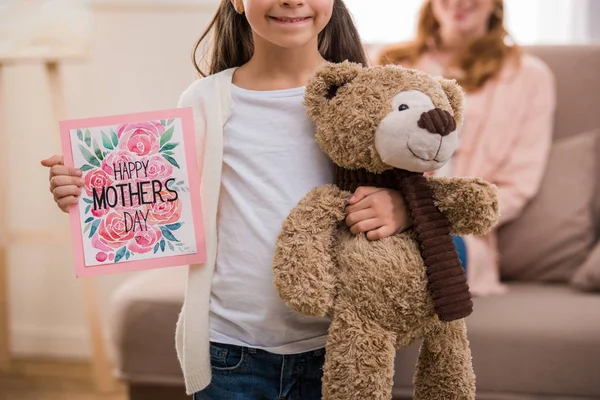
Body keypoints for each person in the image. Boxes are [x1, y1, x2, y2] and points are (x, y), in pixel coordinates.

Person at [41, 0, 414, 398]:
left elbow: (431, 195)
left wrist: (402, 208)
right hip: (229, 351)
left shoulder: (369, 97)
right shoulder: (203, 100)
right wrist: (89, 189)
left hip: (339, 349)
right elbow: (155, 198)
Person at [378, 0, 556, 296]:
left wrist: (418, 214)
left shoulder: (530, 76)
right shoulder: (389, 62)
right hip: (379, 213)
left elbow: (518, 186)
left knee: (397, 264)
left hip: (455, 234)